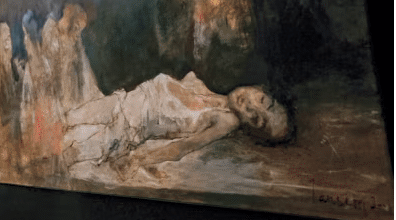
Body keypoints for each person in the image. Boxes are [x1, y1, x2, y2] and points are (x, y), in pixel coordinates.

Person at [55, 71, 292, 181]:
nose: (250, 106)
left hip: (127, 127)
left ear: (249, 128)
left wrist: (138, 160)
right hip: (122, 102)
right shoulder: (211, 93)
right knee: (64, 121)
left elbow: (182, 148)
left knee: (67, 150)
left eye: (256, 119)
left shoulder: (227, 121)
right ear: (260, 88)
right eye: (262, 101)